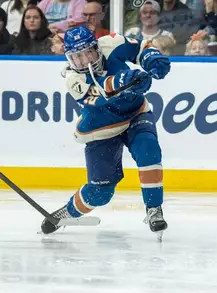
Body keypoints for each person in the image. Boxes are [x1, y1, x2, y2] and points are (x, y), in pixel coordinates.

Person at [41, 25, 171, 240]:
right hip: (102, 129)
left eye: (88, 53)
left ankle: (154, 209)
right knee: (100, 193)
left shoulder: (112, 43)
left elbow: (139, 48)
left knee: (149, 149)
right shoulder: (73, 79)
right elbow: (101, 93)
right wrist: (124, 81)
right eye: (77, 57)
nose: (84, 61)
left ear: (97, 48)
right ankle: (66, 212)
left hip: (135, 114)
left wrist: (151, 58)